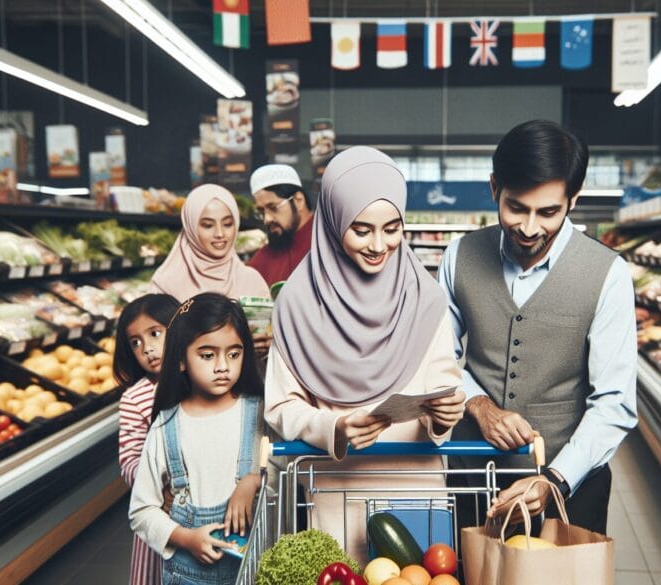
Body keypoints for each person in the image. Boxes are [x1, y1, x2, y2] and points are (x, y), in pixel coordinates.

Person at [265, 146, 466, 564]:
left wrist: (445, 415)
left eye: (392, 228)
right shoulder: (298, 304)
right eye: (361, 230)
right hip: (339, 493)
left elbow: (444, 385)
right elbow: (281, 406)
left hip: (417, 489)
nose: (379, 245)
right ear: (334, 222)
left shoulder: (424, 297)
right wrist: (333, 426)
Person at [440, 120, 637, 535]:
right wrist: (480, 406)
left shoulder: (608, 274)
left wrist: (556, 479)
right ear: (495, 188)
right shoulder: (459, 256)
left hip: (571, 483)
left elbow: (615, 401)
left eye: (548, 212)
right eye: (516, 207)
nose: (530, 228)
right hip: (474, 472)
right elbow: (438, 356)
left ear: (573, 200)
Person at [129, 293, 269, 585]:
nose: (223, 366)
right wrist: (187, 538)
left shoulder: (260, 413)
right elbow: (141, 511)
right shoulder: (166, 426)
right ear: (180, 359)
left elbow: (287, 476)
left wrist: (253, 480)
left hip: (256, 569)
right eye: (208, 355)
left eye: (234, 353)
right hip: (188, 575)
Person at [150, 184, 271, 357]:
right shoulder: (165, 285)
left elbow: (263, 345)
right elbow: (156, 350)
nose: (220, 233)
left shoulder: (252, 280)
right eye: (208, 225)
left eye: (228, 224)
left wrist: (266, 345)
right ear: (191, 226)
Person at [115, 294, 180, 585]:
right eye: (136, 342)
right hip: (159, 513)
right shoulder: (134, 398)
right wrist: (157, 485)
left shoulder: (202, 382)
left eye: (155, 334)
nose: (147, 349)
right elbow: (128, 460)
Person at [246, 164, 315, 286]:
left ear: (298, 201)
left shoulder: (327, 244)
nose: (266, 219)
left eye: (273, 208)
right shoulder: (263, 259)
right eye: (261, 211)